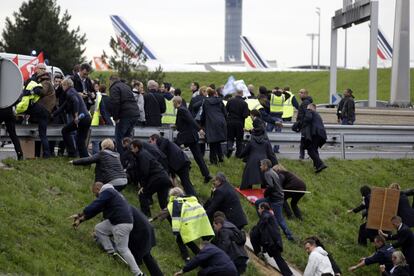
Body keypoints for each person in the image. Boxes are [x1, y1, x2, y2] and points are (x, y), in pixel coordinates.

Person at [71, 182, 144, 276]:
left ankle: (138, 273)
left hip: (121, 223)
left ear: (98, 189)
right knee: (99, 229)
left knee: (123, 249)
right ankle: (111, 252)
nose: (96, 196)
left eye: (95, 193)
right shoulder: (113, 193)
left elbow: (96, 204)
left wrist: (80, 213)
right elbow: (96, 210)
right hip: (119, 221)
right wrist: (81, 219)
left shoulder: (107, 192)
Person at [167, 187, 213, 262]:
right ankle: (206, 254)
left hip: (187, 224)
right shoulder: (191, 199)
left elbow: (176, 218)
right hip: (198, 222)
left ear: (173, 195)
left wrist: (176, 232)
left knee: (181, 239)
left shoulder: (176, 203)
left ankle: (188, 257)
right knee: (202, 240)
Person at [173, 96, 212, 183]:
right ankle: (207, 174)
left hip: (187, 135)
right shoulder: (183, 109)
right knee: (198, 156)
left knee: (173, 149)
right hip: (189, 135)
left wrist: (199, 129)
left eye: (173, 102)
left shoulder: (182, 110)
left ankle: (185, 165)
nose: (173, 104)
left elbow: (191, 120)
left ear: (176, 102)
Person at [130, 139, 171, 217]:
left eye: (132, 148)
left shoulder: (141, 155)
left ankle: (146, 218)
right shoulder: (145, 153)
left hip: (157, 178)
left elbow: (144, 171)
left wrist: (143, 186)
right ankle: (174, 222)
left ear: (136, 148)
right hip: (164, 178)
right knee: (163, 204)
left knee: (142, 194)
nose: (131, 150)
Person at [18, 73, 56, 158]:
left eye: (38, 78)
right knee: (43, 134)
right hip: (46, 111)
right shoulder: (49, 83)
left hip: (42, 109)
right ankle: (46, 154)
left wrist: (32, 90)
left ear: (41, 78)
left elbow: (42, 92)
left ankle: (17, 111)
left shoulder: (45, 82)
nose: (37, 80)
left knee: (27, 107)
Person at [250, 202, 293, 276]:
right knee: (278, 258)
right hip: (273, 241)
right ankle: (288, 274)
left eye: (259, 209)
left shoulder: (266, 215)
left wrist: (255, 230)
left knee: (278, 258)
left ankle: (289, 274)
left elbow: (262, 223)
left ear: (262, 208)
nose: (258, 210)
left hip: (272, 242)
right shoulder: (270, 215)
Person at [52, 77, 91, 158]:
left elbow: (75, 101)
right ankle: (85, 160)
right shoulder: (73, 92)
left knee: (65, 130)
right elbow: (62, 108)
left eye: (62, 85)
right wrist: (52, 115)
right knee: (80, 142)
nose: (62, 88)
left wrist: (76, 116)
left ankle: (72, 153)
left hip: (81, 119)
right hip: (87, 118)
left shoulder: (69, 92)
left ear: (65, 85)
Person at [255, 159, 294, 241]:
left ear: (265, 166)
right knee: (258, 203)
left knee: (279, 219)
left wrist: (265, 193)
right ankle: (263, 222)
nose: (260, 166)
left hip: (276, 199)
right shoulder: (272, 171)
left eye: (261, 165)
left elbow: (271, 186)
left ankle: (290, 236)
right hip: (274, 197)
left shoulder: (267, 173)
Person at [239, 121, 277, 190]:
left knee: (247, 178)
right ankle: (265, 191)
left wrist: (240, 154)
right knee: (265, 179)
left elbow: (244, 152)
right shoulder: (266, 142)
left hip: (252, 161)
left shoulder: (251, 141)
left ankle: (247, 190)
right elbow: (271, 153)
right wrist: (275, 163)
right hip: (264, 161)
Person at [127, 205, 164, 276]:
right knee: (146, 255)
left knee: (145, 255)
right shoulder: (127, 206)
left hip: (142, 232)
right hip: (145, 229)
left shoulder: (123, 207)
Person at [109, 75, 140, 153]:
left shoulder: (114, 88)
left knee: (120, 138)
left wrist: (115, 117)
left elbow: (115, 103)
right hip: (135, 113)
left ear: (111, 81)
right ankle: (130, 157)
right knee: (128, 138)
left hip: (125, 115)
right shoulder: (126, 86)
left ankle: (121, 159)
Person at [173, 241, 238, 276]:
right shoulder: (215, 249)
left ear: (203, 246)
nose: (200, 251)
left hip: (224, 269)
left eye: (200, 249)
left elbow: (197, 260)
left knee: (202, 273)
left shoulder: (208, 249)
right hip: (233, 271)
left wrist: (183, 270)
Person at [201, 87, 227, 165]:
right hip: (221, 121)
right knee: (217, 141)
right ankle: (220, 157)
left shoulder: (206, 102)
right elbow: (225, 113)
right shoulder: (220, 101)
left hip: (211, 122)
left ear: (208, 94)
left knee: (212, 142)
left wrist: (201, 123)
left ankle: (213, 161)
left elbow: (204, 114)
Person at [301, 103, 327, 173]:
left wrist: (302, 124)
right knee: (314, 149)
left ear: (311, 108)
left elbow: (308, 119)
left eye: (308, 108)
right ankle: (317, 166)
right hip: (321, 134)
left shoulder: (310, 111)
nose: (307, 110)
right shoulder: (317, 115)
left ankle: (320, 164)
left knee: (310, 150)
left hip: (316, 133)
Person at [225, 89, 249, 158]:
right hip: (239, 123)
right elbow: (245, 115)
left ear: (235, 94)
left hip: (230, 122)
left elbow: (226, 111)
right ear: (242, 94)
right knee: (239, 139)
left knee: (230, 138)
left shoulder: (230, 101)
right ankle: (238, 154)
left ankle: (229, 148)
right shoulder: (244, 103)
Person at [91, 84, 113, 154]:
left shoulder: (98, 98)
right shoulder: (109, 99)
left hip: (97, 120)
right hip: (107, 119)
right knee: (106, 138)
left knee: (96, 139)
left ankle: (97, 155)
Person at [296, 89, 313, 160]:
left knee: (304, 143)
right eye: (299, 92)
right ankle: (304, 157)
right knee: (305, 143)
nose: (300, 94)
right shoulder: (306, 102)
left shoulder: (305, 103)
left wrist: (302, 123)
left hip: (306, 126)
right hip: (305, 126)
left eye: (302, 93)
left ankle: (302, 158)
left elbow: (308, 116)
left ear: (306, 94)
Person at [267, 88, 285, 153]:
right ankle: (276, 149)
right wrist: (282, 91)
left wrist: (271, 91)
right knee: (278, 134)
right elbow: (288, 94)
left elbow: (265, 94)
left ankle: (268, 148)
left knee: (268, 133)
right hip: (279, 117)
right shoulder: (283, 96)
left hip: (271, 117)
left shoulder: (271, 96)